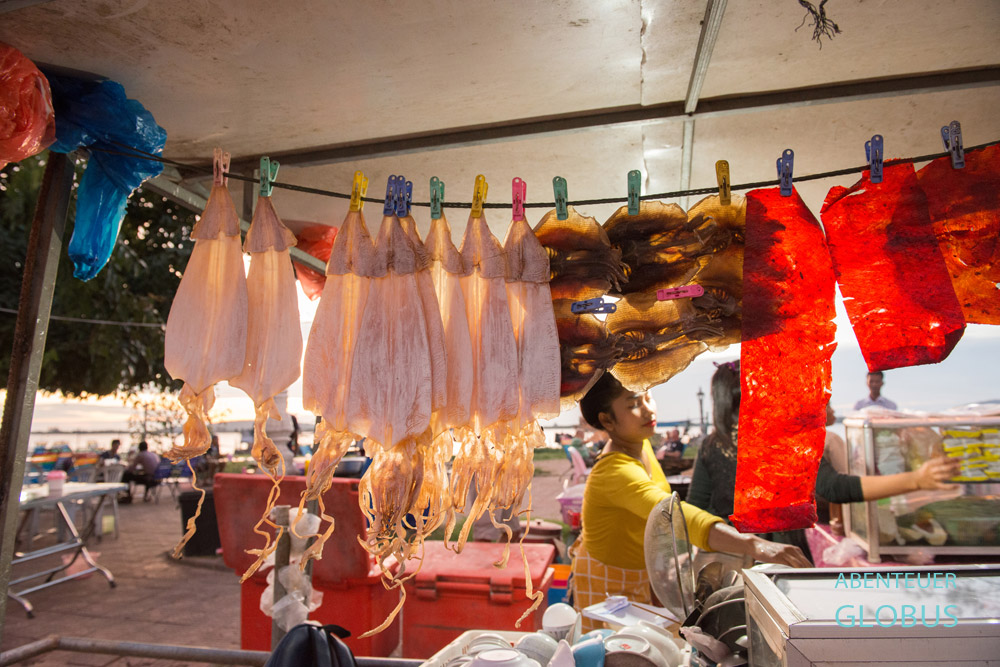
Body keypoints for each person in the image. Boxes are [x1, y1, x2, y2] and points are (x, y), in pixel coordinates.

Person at [571, 372, 810, 630]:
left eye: (649, 397)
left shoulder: (639, 444)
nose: (649, 410)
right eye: (634, 404)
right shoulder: (614, 471)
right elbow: (674, 515)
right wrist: (755, 545)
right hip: (606, 580)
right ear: (607, 420)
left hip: (639, 572)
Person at [687, 362, 960, 560]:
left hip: (727, 560)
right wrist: (915, 480)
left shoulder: (711, 445)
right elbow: (836, 487)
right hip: (781, 560)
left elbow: (694, 511)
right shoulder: (786, 441)